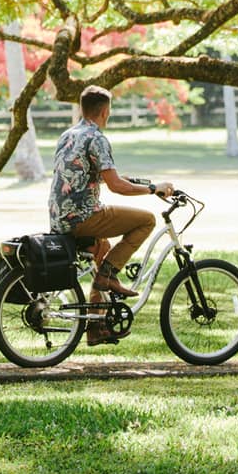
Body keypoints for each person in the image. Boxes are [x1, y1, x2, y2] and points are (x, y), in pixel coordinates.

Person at [48, 85, 174, 346]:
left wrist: (125, 179)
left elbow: (85, 175)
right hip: (83, 217)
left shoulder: (68, 135)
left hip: (60, 217)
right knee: (146, 220)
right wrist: (153, 189)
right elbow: (116, 187)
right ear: (105, 112)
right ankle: (108, 275)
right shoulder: (97, 138)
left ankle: (96, 327)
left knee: (102, 247)